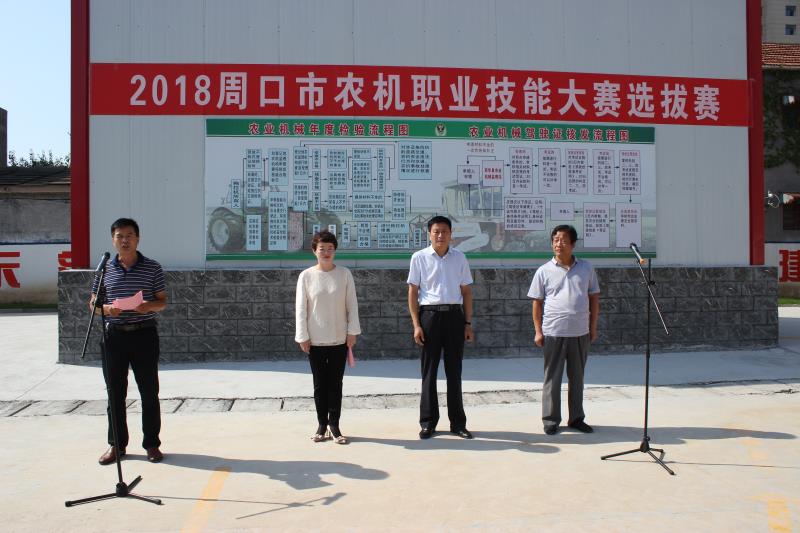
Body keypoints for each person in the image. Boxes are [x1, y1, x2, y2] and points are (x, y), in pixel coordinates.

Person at [90, 218, 167, 465]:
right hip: (114, 336)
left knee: (149, 391)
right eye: (120, 236)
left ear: (138, 238)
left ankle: (152, 444)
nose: (125, 240)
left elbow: (162, 302)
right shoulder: (104, 269)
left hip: (144, 334)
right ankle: (117, 445)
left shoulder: (152, 267)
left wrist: (147, 306)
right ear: (113, 239)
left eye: (130, 236)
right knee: (115, 393)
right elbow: (93, 304)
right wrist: (107, 309)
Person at [528, 224, 600, 435]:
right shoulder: (544, 271)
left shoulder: (586, 268)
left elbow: (594, 298)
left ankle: (576, 418)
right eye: (555, 240)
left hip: (580, 332)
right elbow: (537, 303)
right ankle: (551, 420)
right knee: (552, 378)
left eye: (564, 240)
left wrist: (593, 327)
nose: (559, 244)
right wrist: (538, 331)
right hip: (553, 332)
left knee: (577, 378)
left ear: (573, 244)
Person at [407, 216, 474, 440]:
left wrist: (468, 323)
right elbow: (413, 293)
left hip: (455, 317)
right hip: (429, 317)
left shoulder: (460, 257)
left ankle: (458, 423)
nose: (440, 235)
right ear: (429, 233)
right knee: (429, 372)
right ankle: (428, 422)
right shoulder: (419, 258)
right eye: (436, 231)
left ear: (451, 234)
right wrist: (416, 325)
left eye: (444, 231)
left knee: (455, 372)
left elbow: (466, 292)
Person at [295, 230, 361, 444]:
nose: (326, 252)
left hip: (339, 339)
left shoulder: (344, 274)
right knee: (319, 384)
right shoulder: (306, 276)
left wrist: (352, 332)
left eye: (330, 248)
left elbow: (352, 305)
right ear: (314, 251)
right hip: (314, 340)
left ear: (335, 251)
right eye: (322, 248)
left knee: (335, 384)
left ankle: (335, 426)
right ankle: (321, 425)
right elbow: (301, 309)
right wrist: (302, 336)